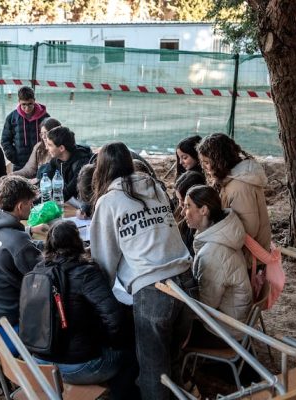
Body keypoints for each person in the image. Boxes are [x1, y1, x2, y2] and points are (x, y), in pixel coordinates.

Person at [89, 142, 197, 400]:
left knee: (152, 371)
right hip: (186, 278)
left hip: (155, 289)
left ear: (101, 169)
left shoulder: (109, 201)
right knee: (172, 359)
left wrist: (102, 297)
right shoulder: (156, 188)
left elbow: (103, 258)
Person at [26, 221, 125, 386]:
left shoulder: (37, 269)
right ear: (77, 241)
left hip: (39, 362)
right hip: (78, 367)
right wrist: (111, 343)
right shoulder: (87, 272)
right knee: (130, 355)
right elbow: (115, 319)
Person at [0, 176, 48, 324]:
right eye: (30, 204)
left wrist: (43, 245)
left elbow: (19, 244)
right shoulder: (18, 241)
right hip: (5, 313)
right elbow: (43, 273)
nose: (32, 208)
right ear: (20, 206)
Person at [182, 185, 252, 347]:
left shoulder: (213, 253)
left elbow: (206, 306)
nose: (183, 212)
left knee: (169, 330)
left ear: (203, 210)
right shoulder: (221, 234)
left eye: (187, 206)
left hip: (225, 332)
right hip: (234, 321)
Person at [197, 133, 271, 258]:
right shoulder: (231, 179)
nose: (205, 167)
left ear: (219, 160)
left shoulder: (240, 187)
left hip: (248, 256)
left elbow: (248, 230)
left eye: (207, 162)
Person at [2, 86, 50, 171]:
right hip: (19, 164)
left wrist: (47, 156)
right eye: (23, 104)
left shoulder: (45, 117)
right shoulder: (12, 118)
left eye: (30, 104)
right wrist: (13, 157)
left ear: (34, 100)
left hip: (41, 162)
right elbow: (5, 140)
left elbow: (52, 138)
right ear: (19, 101)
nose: (27, 108)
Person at [42, 126, 93, 203]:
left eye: (50, 145)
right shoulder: (56, 160)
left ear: (61, 148)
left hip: (84, 204)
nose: (47, 148)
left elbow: (70, 191)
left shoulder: (81, 164)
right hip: (68, 199)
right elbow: (46, 179)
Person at [174, 171, 206, 256]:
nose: (180, 205)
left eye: (183, 201)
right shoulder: (180, 212)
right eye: (178, 200)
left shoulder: (197, 224)